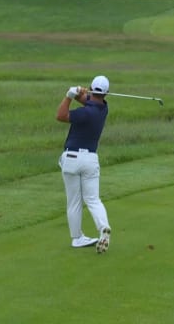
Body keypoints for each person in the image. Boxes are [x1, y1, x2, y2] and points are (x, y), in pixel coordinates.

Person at [56, 75, 112, 253]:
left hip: (71, 158)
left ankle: (77, 238)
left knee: (74, 202)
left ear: (91, 88)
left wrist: (69, 95)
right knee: (93, 199)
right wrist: (79, 93)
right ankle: (103, 226)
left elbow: (60, 116)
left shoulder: (84, 113)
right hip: (90, 160)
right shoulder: (103, 109)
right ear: (106, 94)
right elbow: (89, 101)